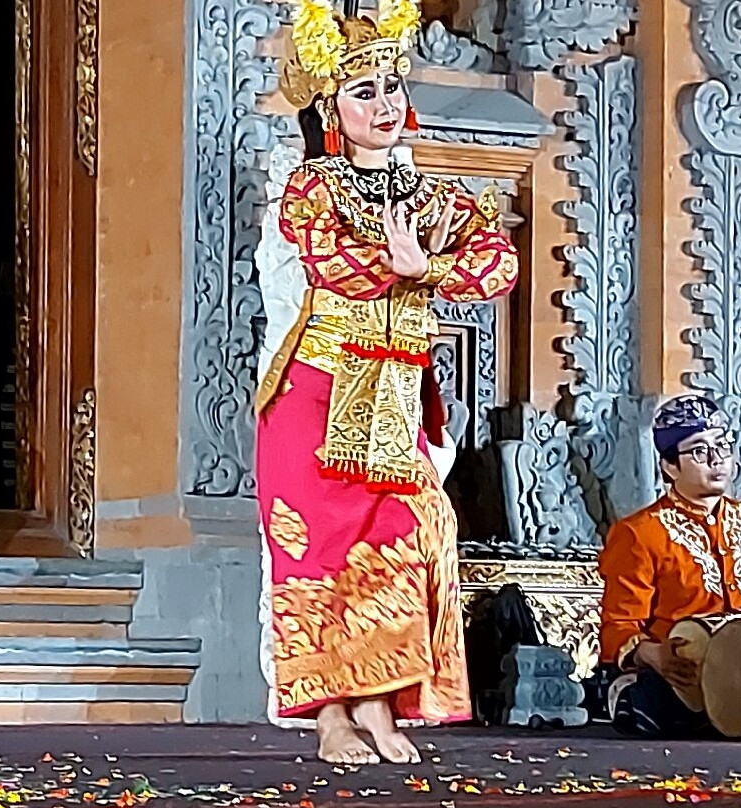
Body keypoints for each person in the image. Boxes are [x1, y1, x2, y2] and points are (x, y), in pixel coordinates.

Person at [254, 0, 519, 765]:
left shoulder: (430, 198)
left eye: (391, 90)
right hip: (317, 391)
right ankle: (330, 712)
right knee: (318, 553)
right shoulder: (313, 189)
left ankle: (378, 697)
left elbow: (496, 264)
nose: (384, 106)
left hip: (396, 397)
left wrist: (426, 266)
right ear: (333, 109)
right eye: (362, 93)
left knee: (402, 541)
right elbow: (330, 263)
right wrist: (401, 267)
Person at [598, 395, 741, 737]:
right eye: (700, 451)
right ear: (670, 467)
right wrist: (655, 655)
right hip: (683, 676)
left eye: (723, 445)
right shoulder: (639, 533)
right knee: (658, 703)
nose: (717, 459)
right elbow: (619, 628)